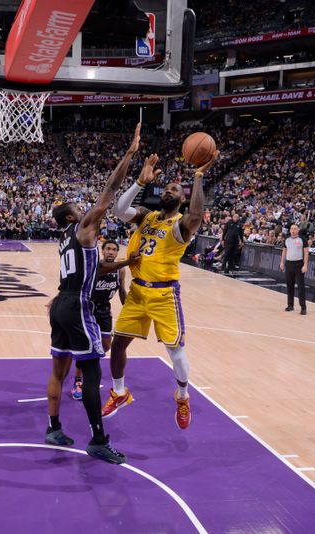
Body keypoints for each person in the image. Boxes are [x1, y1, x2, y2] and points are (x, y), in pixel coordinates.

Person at [46, 123, 146, 465]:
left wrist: (122, 264)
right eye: (79, 207)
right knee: (91, 374)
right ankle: (98, 439)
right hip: (77, 306)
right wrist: (130, 155)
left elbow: (97, 269)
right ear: (74, 216)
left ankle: (53, 427)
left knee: (58, 370)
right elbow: (109, 190)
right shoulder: (84, 227)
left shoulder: (65, 241)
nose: (86, 209)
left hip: (59, 304)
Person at [102, 148, 219, 430]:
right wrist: (140, 183)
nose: (169, 189)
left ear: (182, 198)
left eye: (175, 189)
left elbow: (197, 214)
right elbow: (118, 210)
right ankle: (119, 392)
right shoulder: (148, 216)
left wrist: (199, 177)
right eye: (167, 186)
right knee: (118, 344)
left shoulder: (181, 226)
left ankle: (182, 396)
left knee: (175, 350)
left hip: (164, 294)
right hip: (138, 292)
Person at [71, 240, 139, 401]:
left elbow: (121, 290)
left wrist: (128, 308)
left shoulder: (120, 270)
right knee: (86, 347)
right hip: (88, 310)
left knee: (107, 345)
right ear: (102, 251)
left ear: (117, 253)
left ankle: (90, 364)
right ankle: (78, 380)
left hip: (104, 311)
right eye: (107, 249)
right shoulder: (95, 266)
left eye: (114, 249)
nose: (110, 252)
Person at [280, 224, 309, 315]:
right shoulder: (287, 239)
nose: (293, 230)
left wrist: (305, 265)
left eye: (295, 229)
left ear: (298, 230)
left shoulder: (302, 239)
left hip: (299, 264)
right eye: (291, 229)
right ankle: (290, 305)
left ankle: (303, 307)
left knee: (300, 286)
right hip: (289, 264)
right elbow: (284, 251)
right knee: (289, 285)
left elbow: (306, 253)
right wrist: (282, 262)